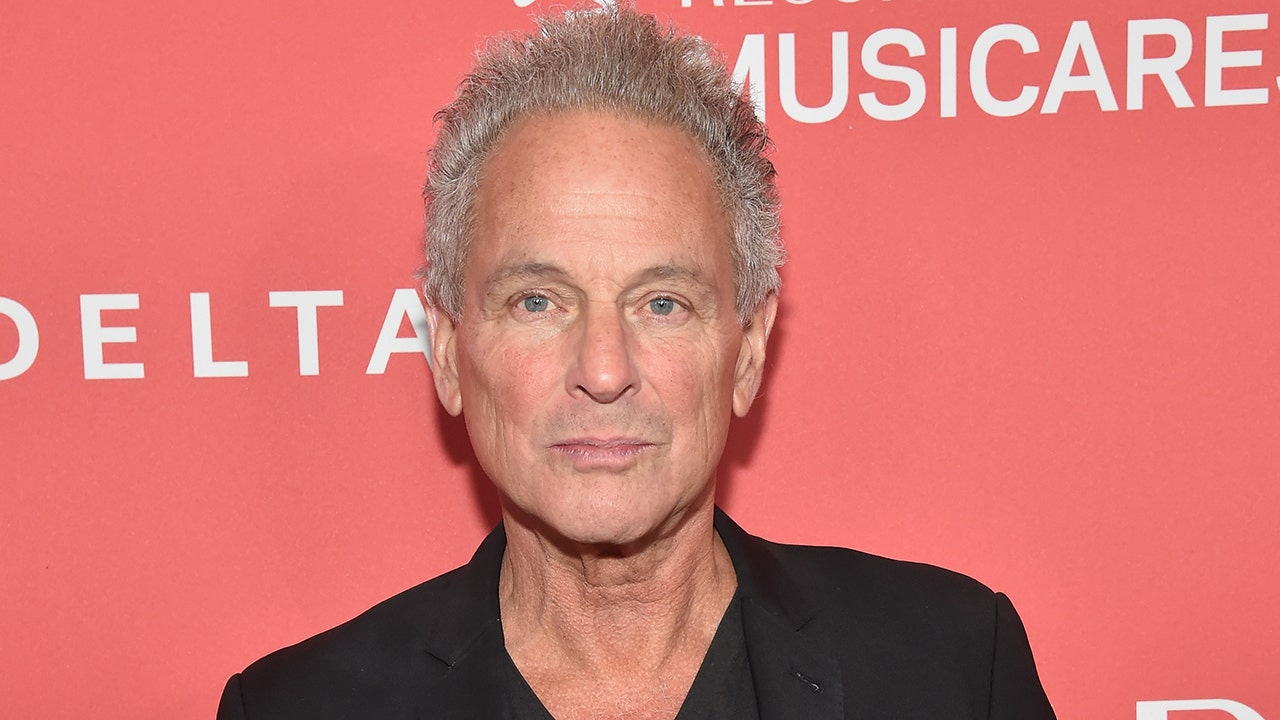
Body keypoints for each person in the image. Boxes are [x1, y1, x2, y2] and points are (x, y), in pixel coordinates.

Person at [217, 4, 1056, 718]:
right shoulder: (298, 708)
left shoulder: (952, 670)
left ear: (747, 352)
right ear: (445, 350)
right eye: (538, 301)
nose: (605, 369)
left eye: (662, 303)